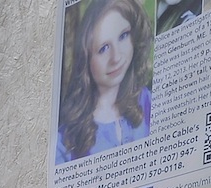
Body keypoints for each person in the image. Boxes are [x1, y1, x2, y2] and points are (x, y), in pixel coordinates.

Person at [56, 0, 153, 163]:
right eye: (103, 48)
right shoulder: (65, 139)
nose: (116, 57)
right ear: (86, 59)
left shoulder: (145, 99)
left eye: (123, 36)